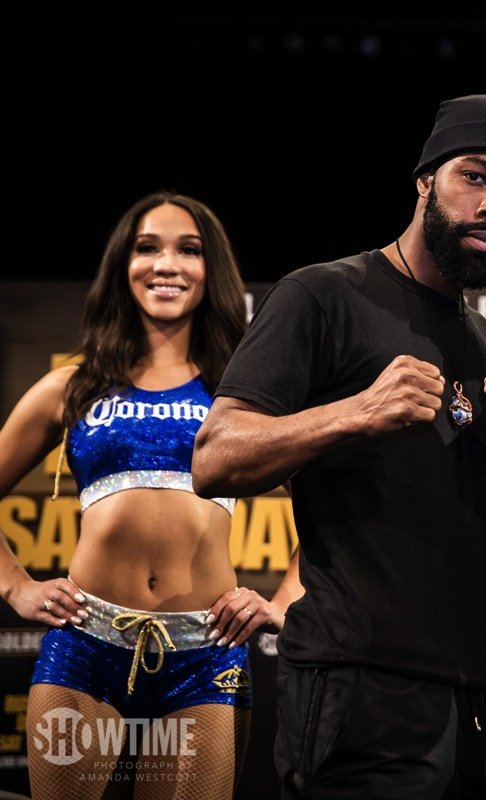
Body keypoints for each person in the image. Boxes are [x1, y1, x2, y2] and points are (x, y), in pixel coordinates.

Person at [191, 91, 486, 799]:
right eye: (476, 177)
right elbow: (213, 457)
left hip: (477, 702)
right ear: (425, 180)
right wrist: (355, 411)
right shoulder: (322, 295)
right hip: (357, 691)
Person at [0, 191, 301, 799]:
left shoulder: (241, 395)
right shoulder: (73, 384)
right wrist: (16, 585)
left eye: (188, 250)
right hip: (84, 646)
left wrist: (283, 603)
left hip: (205, 654)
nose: (167, 264)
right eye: (147, 248)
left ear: (210, 270)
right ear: (123, 265)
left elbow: (335, 508)